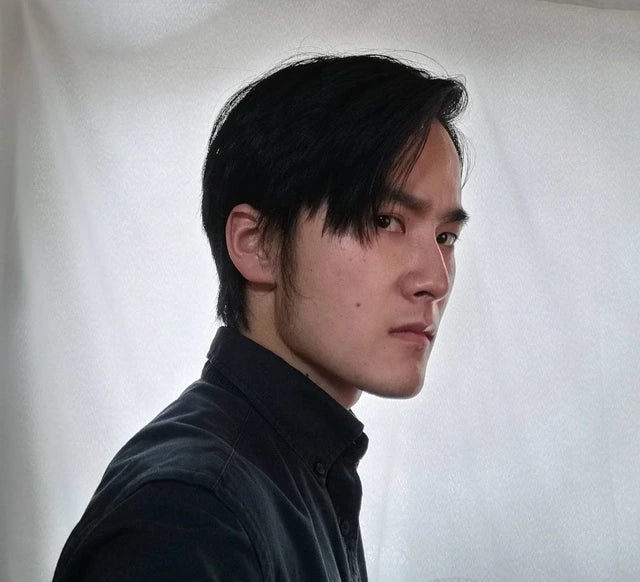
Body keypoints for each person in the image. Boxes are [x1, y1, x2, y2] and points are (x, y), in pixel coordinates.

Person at [53, 54, 469, 581]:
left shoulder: (294, 471)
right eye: (384, 220)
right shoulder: (190, 514)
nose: (435, 279)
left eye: (445, 236)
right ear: (258, 244)